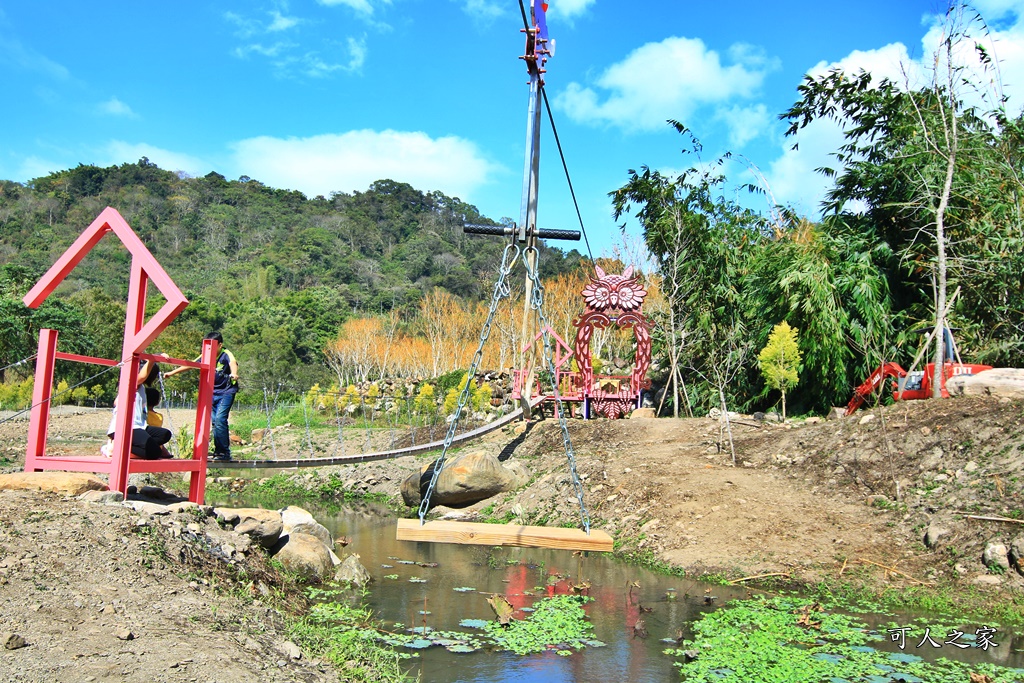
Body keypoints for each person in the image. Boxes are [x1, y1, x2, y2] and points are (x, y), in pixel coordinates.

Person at [165, 332, 238, 462]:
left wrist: (233, 374)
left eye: (212, 346)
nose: (209, 350)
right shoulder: (206, 355)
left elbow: (233, 363)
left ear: (220, 345)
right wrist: (172, 373)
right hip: (211, 392)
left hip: (226, 392)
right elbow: (191, 364)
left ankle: (224, 452)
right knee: (215, 422)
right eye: (207, 346)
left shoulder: (226, 354)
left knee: (220, 419)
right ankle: (219, 451)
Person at [102, 358, 173, 459]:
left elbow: (116, 402)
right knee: (155, 452)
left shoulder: (141, 388)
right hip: (125, 427)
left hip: (140, 426)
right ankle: (113, 450)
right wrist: (153, 359)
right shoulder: (131, 383)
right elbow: (142, 376)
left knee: (164, 434)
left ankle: (120, 446)